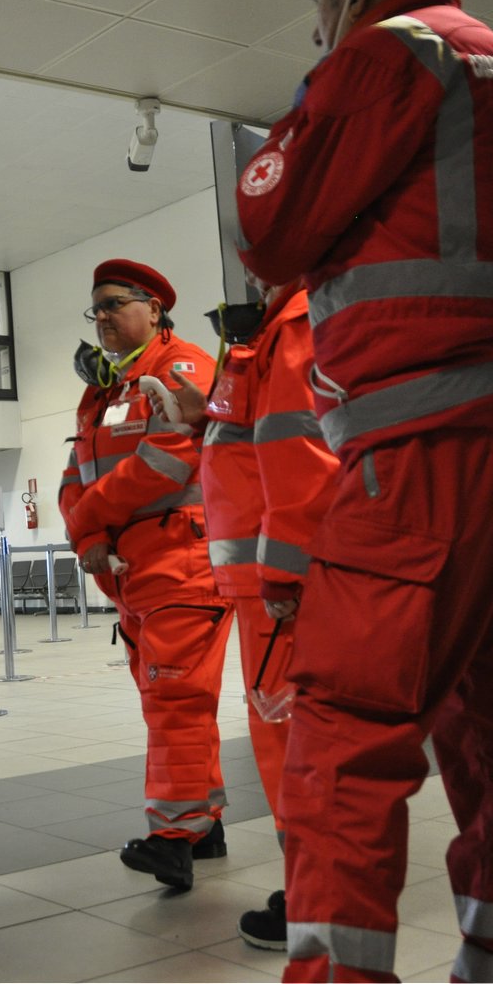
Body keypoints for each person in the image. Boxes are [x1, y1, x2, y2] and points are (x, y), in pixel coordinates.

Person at [234, 0, 493, 984]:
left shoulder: (384, 52)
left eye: (317, 6)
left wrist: (316, 90)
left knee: (342, 740)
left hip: (414, 456)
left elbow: (268, 226)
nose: (315, 26)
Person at [163, 286, 338, 948]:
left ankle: (317, 897)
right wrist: (201, 422)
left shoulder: (296, 322)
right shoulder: (265, 332)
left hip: (281, 583)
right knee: (281, 736)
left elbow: (300, 454)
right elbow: (250, 444)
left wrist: (287, 571)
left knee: (295, 739)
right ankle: (311, 885)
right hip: (260, 579)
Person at [58, 259, 235, 892]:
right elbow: (72, 476)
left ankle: (171, 838)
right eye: (96, 308)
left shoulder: (179, 368)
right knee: (167, 699)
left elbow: (174, 453)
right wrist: (87, 532)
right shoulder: (102, 391)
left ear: (154, 308)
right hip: (130, 572)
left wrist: (92, 517)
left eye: (114, 304)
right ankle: (203, 824)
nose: (102, 317)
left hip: (182, 562)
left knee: (174, 698)